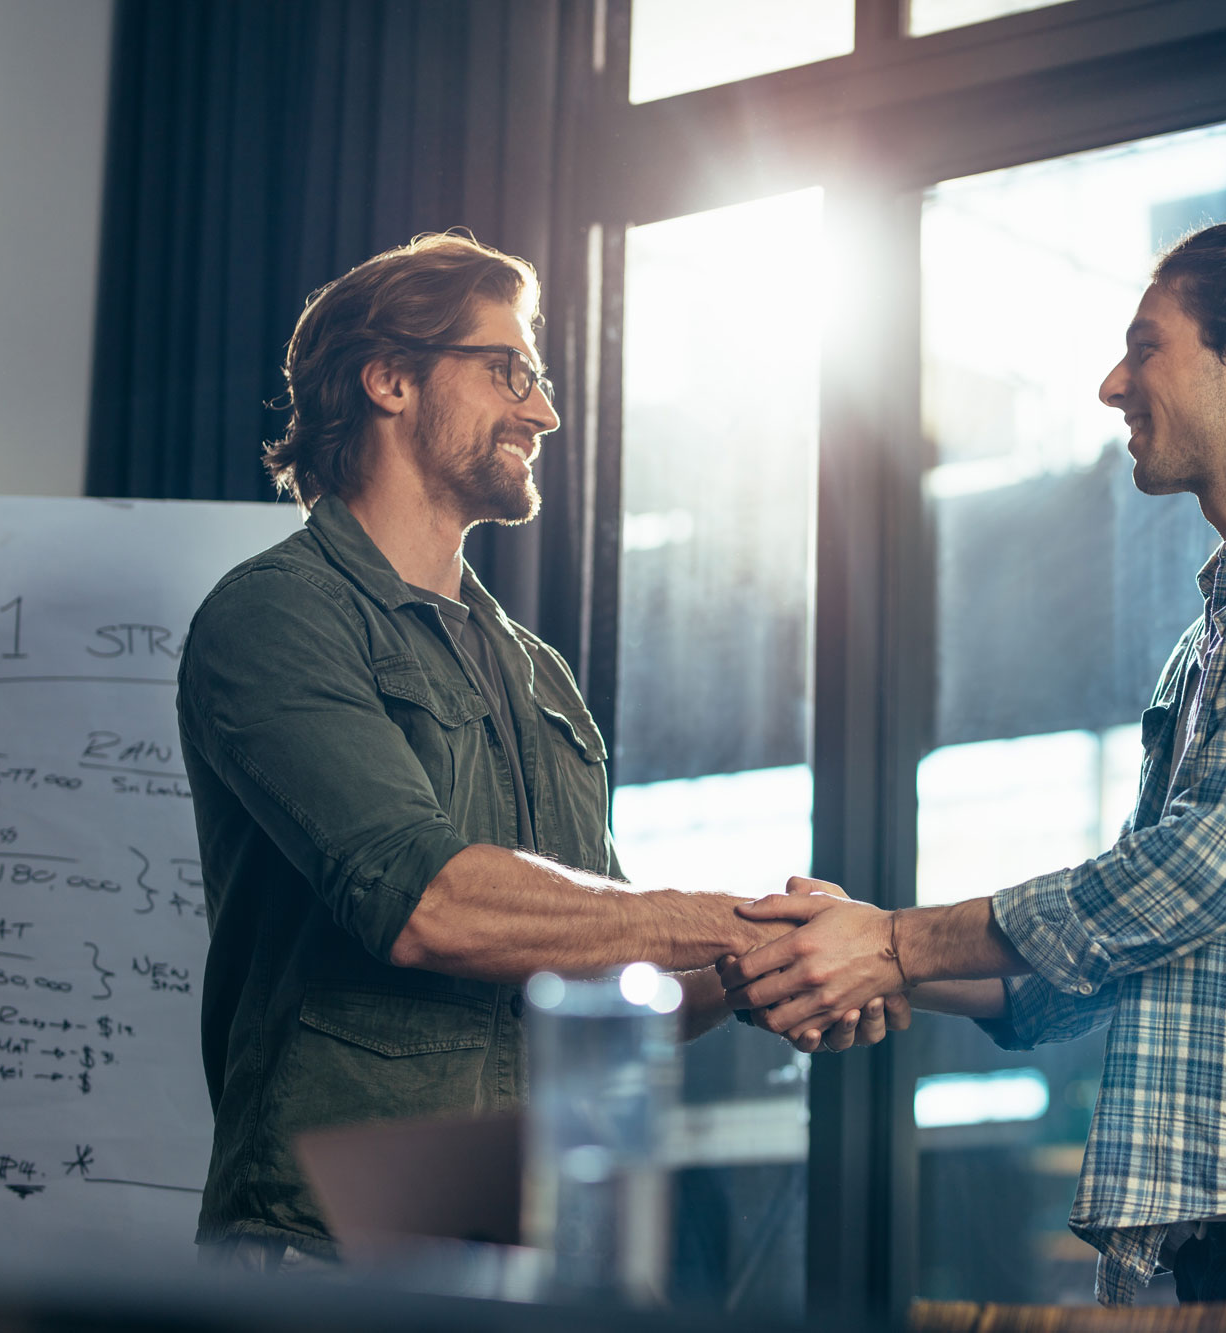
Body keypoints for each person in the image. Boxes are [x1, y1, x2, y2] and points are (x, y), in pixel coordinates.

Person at [724, 222, 1226, 1304]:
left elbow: (1206, 865)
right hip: (1217, 1233)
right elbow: (1107, 954)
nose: (1110, 383)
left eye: (1144, 345)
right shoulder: (1215, 629)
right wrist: (848, 947)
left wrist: (892, 945)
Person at [178, 233, 893, 1271]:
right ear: (389, 380)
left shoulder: (532, 672)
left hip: (524, 1238)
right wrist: (732, 922)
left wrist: (767, 969)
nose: (543, 412)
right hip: (332, 1242)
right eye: (508, 370)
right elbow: (428, 902)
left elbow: (601, 963)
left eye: (540, 377)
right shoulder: (276, 618)